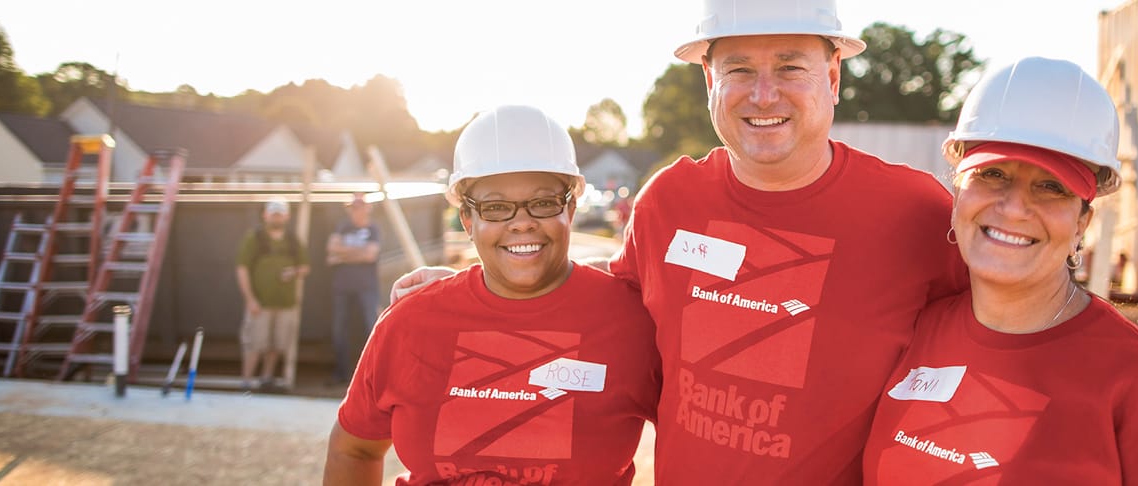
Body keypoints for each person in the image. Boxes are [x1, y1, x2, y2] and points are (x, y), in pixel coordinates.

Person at [391, 0, 969, 482]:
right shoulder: (670, 199)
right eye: (739, 69)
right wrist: (488, 290)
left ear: (834, 77)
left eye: (791, 67)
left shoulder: (917, 215)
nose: (764, 95)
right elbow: (608, 307)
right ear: (710, 79)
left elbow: (1000, 323)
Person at [862, 57, 1138, 484]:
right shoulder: (917, 331)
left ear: (1081, 224)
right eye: (993, 174)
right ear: (958, 191)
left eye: (1051, 186)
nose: (1014, 208)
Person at [324, 105, 660, 485]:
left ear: (571, 206)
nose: (522, 222)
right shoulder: (411, 321)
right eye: (496, 207)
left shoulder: (632, 323)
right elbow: (354, 449)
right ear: (468, 220)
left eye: (543, 202)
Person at [234, 197, 309, 392]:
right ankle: (246, 381)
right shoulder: (256, 238)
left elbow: (305, 267)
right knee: (254, 344)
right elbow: (242, 269)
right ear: (266, 215)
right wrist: (250, 299)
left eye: (280, 214)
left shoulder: (292, 240)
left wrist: (292, 272)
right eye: (273, 214)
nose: (276, 218)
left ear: (286, 216)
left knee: (276, 345)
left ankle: (266, 379)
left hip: (285, 303)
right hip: (260, 303)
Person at [326, 193, 381, 384]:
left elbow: (370, 256)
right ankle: (342, 373)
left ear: (367, 208)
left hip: (367, 287)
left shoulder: (373, 229)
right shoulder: (342, 226)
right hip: (342, 287)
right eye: (354, 208)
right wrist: (359, 252)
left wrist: (343, 255)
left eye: (360, 207)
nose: (357, 211)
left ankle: (373, 374)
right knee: (339, 329)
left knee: (371, 327)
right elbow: (331, 251)